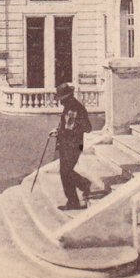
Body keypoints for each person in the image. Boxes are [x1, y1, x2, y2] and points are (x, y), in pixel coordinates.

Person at [49, 82, 93, 211]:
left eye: (61, 99)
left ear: (67, 97)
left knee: (65, 172)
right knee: (65, 172)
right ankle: (74, 198)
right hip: (66, 144)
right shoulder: (69, 106)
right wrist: (58, 130)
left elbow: (87, 128)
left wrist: (65, 131)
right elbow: (66, 126)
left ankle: (82, 186)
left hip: (73, 145)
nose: (60, 102)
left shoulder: (75, 108)